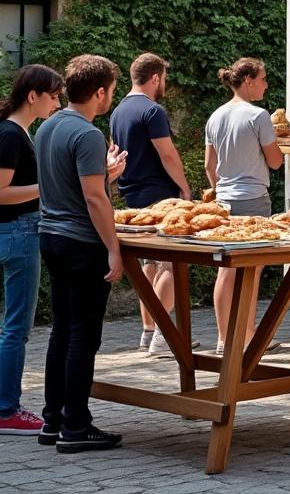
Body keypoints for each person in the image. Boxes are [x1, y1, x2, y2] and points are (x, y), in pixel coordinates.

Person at [36, 55, 127, 452]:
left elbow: (75, 183)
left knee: (61, 330)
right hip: (80, 243)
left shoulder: (48, 126)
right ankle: (76, 426)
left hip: (51, 236)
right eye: (111, 90)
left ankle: (52, 420)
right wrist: (114, 249)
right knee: (82, 336)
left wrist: (106, 174)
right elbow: (93, 198)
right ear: (101, 91)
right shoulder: (88, 134)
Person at [109, 53, 194, 358]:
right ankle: (162, 334)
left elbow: (114, 152)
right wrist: (185, 188)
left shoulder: (118, 111)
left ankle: (148, 333)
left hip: (132, 195)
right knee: (172, 263)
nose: (164, 85)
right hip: (160, 195)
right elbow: (167, 154)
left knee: (149, 265)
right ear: (155, 77)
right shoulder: (152, 110)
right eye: (164, 79)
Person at [0, 64, 63, 437]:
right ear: (33, 96)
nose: (57, 103)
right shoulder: (10, 134)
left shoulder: (18, 132)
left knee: (13, 326)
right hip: (17, 231)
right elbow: (1, 192)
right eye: (53, 96)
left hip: (18, 230)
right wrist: (46, 187)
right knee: (16, 327)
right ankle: (6, 409)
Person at [205, 58, 283, 353]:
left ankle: (225, 338)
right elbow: (275, 161)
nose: (265, 84)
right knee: (251, 270)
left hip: (224, 200)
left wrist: (220, 189)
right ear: (248, 80)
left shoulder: (216, 115)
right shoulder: (258, 116)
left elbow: (209, 166)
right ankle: (247, 335)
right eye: (263, 79)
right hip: (253, 198)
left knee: (226, 270)